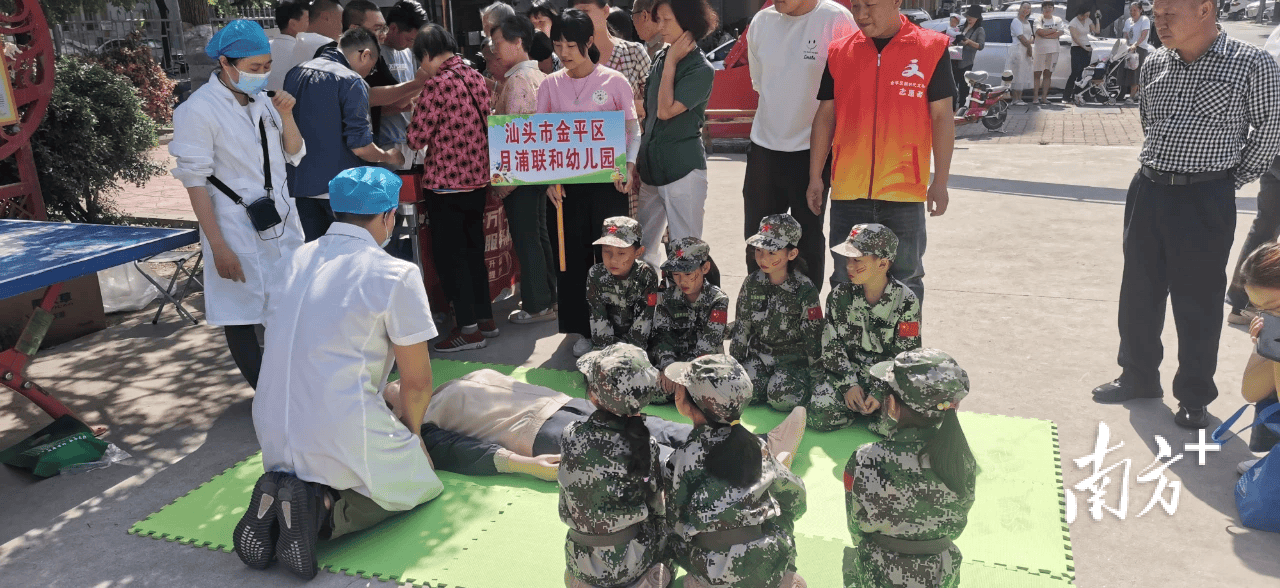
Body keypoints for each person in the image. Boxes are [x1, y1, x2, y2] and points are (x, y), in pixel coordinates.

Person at [234, 167, 557, 580]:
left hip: (271, 425)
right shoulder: (394, 273)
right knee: (419, 484)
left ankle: (282, 497)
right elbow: (419, 382)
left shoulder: (293, 260)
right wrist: (412, 435)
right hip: (338, 422)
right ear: (389, 217)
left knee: (335, 461)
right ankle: (322, 512)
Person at [1091, 0, 1280, 430]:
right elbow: (1150, 122)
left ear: (1204, 10)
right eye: (1156, 13)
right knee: (1139, 289)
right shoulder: (1156, 62)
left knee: (1198, 300)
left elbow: (1269, 129)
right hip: (1149, 188)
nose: (1159, 21)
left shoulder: (1250, 63)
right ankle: (1138, 376)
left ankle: (1194, 394)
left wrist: (1223, 181)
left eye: (1169, 13)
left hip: (1205, 197)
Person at [170, 20, 306, 390]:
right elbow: (194, 181)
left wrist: (288, 115)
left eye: (266, 67)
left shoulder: (264, 103)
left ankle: (292, 387)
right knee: (242, 313)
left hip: (277, 220)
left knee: (287, 307)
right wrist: (218, 246)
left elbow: (294, 155)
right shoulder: (197, 111)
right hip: (232, 226)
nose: (261, 76)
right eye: (253, 69)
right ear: (226, 64)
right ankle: (267, 396)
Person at [809, 0, 954, 301]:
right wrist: (815, 177)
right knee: (845, 278)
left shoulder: (931, 48)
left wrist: (940, 181)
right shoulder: (839, 52)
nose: (861, 15)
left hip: (904, 191)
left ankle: (903, 349)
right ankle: (844, 348)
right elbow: (826, 116)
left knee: (906, 278)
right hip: (849, 191)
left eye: (870, 5)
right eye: (856, 5)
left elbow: (942, 117)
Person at [537, 9, 642, 358]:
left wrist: (628, 165)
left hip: (607, 185)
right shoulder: (550, 85)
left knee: (610, 254)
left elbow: (632, 130)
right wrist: (548, 181)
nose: (564, 52)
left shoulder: (614, 81)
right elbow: (541, 136)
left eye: (571, 45)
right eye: (558, 44)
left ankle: (618, 325)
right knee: (572, 257)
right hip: (566, 188)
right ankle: (582, 328)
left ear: (588, 43)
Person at [664, 355, 808, 588]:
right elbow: (797, 496)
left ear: (690, 402)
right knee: (780, 506)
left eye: (682, 387)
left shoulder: (680, 459)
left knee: (664, 523)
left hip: (710, 570)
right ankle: (785, 575)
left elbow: (675, 521)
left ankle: (696, 581)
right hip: (766, 565)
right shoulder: (758, 449)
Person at [742, 0, 855, 286]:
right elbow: (759, 82)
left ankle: (807, 317)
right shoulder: (761, 22)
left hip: (813, 152)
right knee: (759, 238)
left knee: (808, 240)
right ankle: (760, 313)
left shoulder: (836, 20)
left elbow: (848, 87)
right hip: (764, 148)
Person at [843, 348, 976, 588]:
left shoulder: (865, 457)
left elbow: (857, 526)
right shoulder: (961, 459)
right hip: (940, 572)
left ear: (891, 405)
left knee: (852, 559)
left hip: (879, 571)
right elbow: (956, 527)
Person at [405, 24, 498, 352]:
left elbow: (416, 138)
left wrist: (416, 108)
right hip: (477, 180)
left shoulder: (436, 84)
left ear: (427, 55)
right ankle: (485, 317)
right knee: (473, 251)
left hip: (445, 185)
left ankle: (468, 330)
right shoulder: (473, 76)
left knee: (452, 256)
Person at [560, 344, 672, 588]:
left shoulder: (571, 436)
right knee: (670, 525)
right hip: (630, 559)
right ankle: (649, 578)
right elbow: (656, 506)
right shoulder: (644, 447)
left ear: (593, 394)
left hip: (580, 559)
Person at [285, 27, 405, 241]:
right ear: (365, 54)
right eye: (371, 67)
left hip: (300, 187)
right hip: (342, 194)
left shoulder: (295, 73)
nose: (368, 73)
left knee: (316, 262)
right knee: (348, 262)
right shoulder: (351, 81)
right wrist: (389, 156)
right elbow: (360, 146)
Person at [807, 224, 922, 432]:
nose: (849, 266)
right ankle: (858, 406)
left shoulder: (906, 301)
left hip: (888, 380)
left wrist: (879, 392)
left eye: (857, 260)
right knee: (819, 415)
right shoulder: (839, 296)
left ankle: (872, 411)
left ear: (883, 263)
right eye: (848, 259)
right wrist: (848, 384)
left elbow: (905, 356)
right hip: (850, 373)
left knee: (897, 426)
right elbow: (832, 345)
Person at [635, 0, 716, 271]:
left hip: (682, 170)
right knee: (642, 250)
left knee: (686, 251)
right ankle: (644, 304)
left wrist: (670, 63)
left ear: (688, 22)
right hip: (651, 170)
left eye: (667, 20)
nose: (660, 27)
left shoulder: (700, 69)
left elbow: (666, 111)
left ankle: (687, 311)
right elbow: (649, 114)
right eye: (658, 19)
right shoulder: (660, 57)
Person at [490, 14, 559, 326]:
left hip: (520, 173)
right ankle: (547, 296)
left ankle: (536, 303)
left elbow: (515, 140)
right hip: (538, 170)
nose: (494, 49)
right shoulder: (539, 76)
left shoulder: (518, 81)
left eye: (498, 43)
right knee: (539, 234)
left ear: (518, 43)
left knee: (527, 237)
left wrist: (505, 183)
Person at [730, 215, 824, 410]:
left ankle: (789, 385)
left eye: (772, 253)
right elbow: (742, 328)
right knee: (742, 392)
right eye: (758, 250)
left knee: (782, 399)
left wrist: (818, 382)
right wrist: (733, 369)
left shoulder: (805, 289)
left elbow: (813, 338)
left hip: (791, 361)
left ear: (792, 254)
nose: (763, 258)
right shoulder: (752, 282)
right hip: (758, 357)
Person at [571, 0, 653, 215]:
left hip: (630, 158)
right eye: (576, 12)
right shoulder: (570, 58)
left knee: (632, 231)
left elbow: (654, 101)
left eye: (586, 11)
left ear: (605, 11)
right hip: (588, 161)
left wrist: (632, 107)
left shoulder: (634, 53)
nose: (581, 19)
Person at [650, 237, 730, 403]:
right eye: (676, 274)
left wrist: (680, 372)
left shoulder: (718, 300)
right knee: (649, 390)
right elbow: (663, 337)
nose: (682, 281)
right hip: (674, 365)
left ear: (705, 268)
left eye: (688, 273)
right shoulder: (667, 299)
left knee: (715, 393)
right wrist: (668, 367)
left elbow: (708, 344)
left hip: (704, 367)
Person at [587, 217, 660, 354]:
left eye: (621, 253)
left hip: (640, 343)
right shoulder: (596, 274)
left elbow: (644, 320)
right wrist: (604, 351)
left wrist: (628, 353)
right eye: (607, 251)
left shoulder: (647, 276)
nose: (613, 259)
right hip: (609, 341)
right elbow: (598, 317)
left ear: (638, 252)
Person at [375, 0, 431, 157]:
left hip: (411, 140)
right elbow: (375, 108)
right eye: (409, 39)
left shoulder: (408, 52)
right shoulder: (374, 53)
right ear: (393, 28)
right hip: (387, 144)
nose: (412, 45)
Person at [267, 0, 309, 92]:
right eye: (307, 20)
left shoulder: (264, 48)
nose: (310, 25)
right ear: (293, 24)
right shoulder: (306, 54)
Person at [293, 0, 344, 68]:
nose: (342, 27)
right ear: (326, 17)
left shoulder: (297, 43)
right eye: (341, 21)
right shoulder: (326, 46)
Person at [953, 4, 986, 110]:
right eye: (968, 17)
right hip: (955, 60)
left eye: (972, 17)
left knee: (964, 87)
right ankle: (952, 109)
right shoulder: (962, 27)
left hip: (966, 62)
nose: (969, 19)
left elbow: (980, 46)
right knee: (953, 86)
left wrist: (968, 42)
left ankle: (962, 109)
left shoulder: (979, 30)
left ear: (978, 18)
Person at [1118, 1, 1151, 104]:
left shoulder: (1144, 20)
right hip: (1129, 49)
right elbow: (1126, 34)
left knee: (1135, 73)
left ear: (1140, 10)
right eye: (1131, 10)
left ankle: (1132, 96)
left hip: (1139, 49)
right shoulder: (1128, 21)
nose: (1132, 12)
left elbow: (1144, 34)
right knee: (1123, 71)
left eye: (1135, 10)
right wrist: (1126, 44)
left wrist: (1135, 45)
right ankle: (1122, 93)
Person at [1064, 6, 1098, 106]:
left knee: (1084, 73)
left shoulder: (1088, 20)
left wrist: (1097, 18)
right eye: (1085, 15)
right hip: (1077, 48)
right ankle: (1066, 96)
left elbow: (1096, 31)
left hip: (1086, 47)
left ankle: (1079, 95)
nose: (1086, 17)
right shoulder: (1073, 22)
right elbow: (1074, 38)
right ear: (1080, 14)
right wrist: (1084, 47)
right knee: (1075, 72)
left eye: (1088, 16)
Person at [1032, 1, 1064, 105]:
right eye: (1045, 7)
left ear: (1053, 9)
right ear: (1042, 9)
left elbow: (1060, 33)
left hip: (1053, 50)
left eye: (1050, 7)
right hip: (1040, 51)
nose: (1048, 9)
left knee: (1048, 74)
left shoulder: (1057, 20)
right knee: (1037, 74)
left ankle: (1044, 98)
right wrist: (1053, 30)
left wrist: (1046, 34)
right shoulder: (1038, 19)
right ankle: (1035, 98)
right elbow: (1039, 32)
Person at [1008, 2, 1036, 104]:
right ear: (1020, 8)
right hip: (1018, 50)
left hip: (1025, 50)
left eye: (1028, 8)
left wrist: (1030, 42)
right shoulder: (1016, 21)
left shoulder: (1027, 22)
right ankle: (1015, 99)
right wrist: (1029, 46)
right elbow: (1021, 37)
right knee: (1016, 74)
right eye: (1024, 7)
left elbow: (1031, 36)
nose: (1026, 10)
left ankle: (1020, 98)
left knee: (1022, 74)